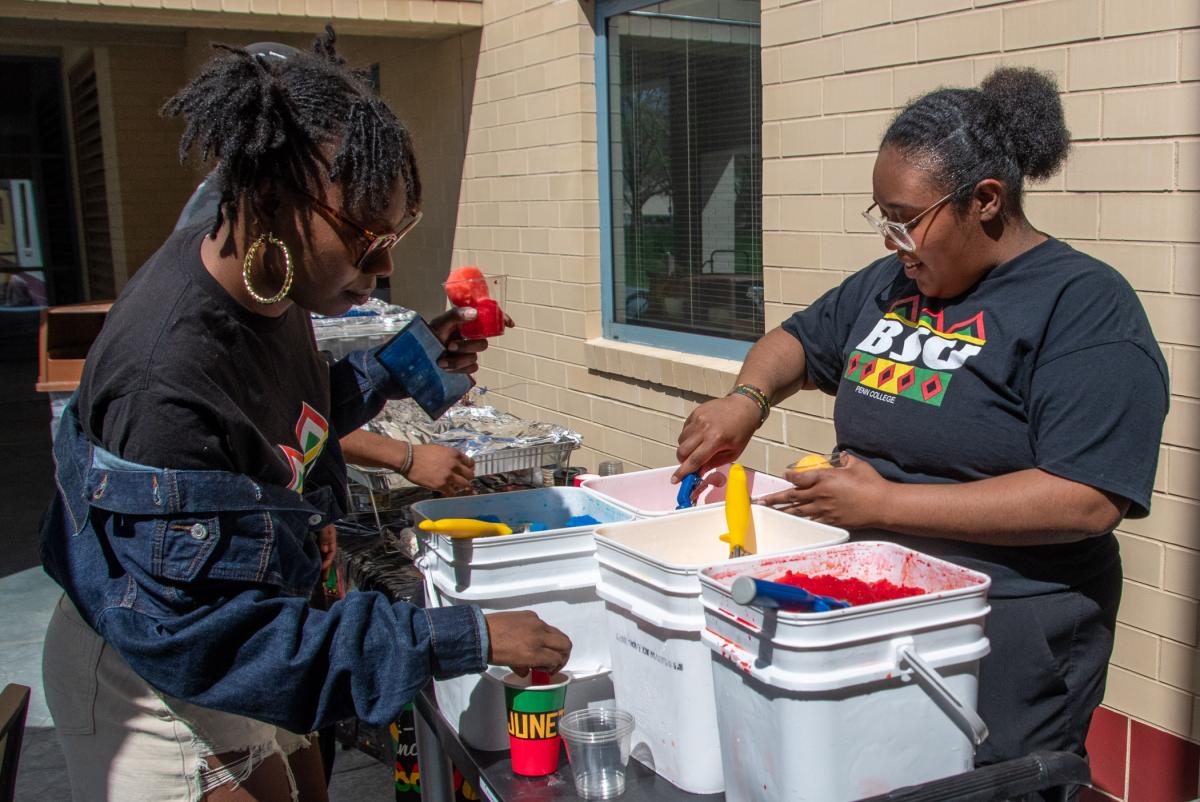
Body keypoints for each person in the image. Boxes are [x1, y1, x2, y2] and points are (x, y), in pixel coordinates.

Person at [40, 28, 571, 802]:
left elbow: (293, 419)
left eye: (398, 236)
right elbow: (212, 639)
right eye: (367, 237)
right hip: (155, 667)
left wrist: (406, 362)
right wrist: (465, 637)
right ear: (273, 203)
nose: (384, 264)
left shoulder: (267, 284)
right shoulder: (167, 379)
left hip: (253, 616)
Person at [675, 67, 1167, 792]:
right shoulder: (894, 286)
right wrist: (747, 398)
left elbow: (1087, 496)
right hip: (877, 615)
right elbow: (799, 343)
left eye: (905, 217)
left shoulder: (1084, 308)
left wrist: (886, 506)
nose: (890, 239)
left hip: (1003, 635)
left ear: (986, 202)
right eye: (881, 216)